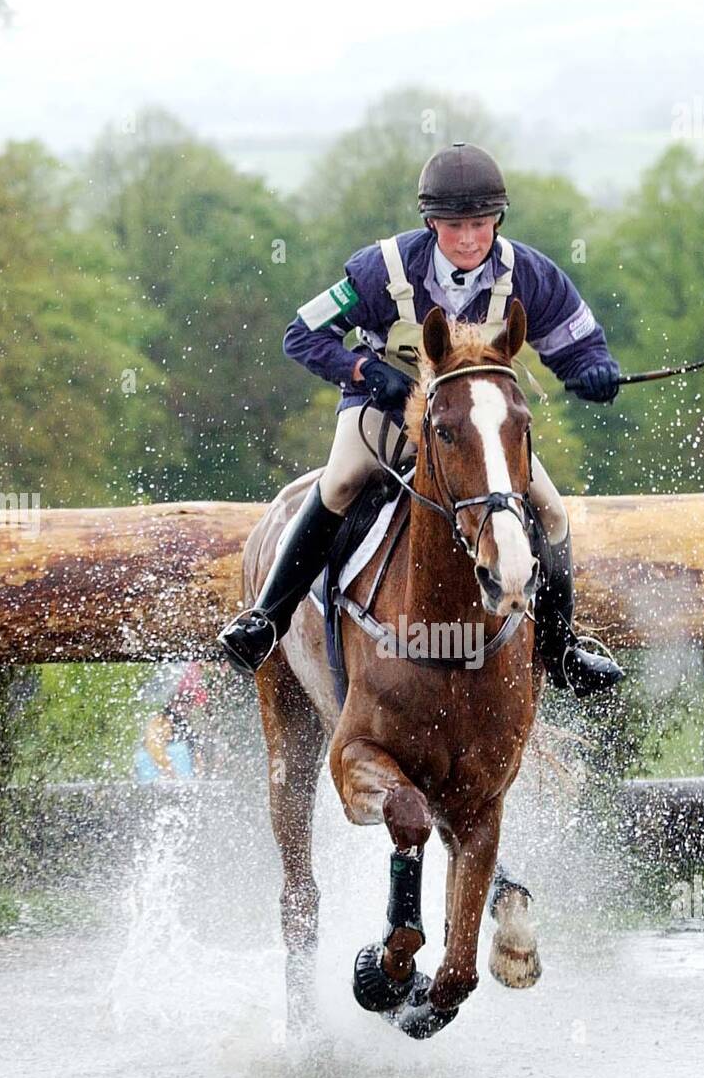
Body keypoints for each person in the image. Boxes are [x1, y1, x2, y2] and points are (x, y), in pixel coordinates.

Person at [218, 142, 625, 697]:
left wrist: (597, 371)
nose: (467, 239)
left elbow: (578, 344)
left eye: (481, 225)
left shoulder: (531, 273)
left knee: (550, 512)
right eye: (454, 226)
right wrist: (362, 369)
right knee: (339, 481)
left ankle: (561, 648)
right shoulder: (380, 269)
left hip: (475, 427)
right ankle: (267, 619)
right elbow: (301, 335)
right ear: (431, 222)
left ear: (498, 220)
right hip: (386, 414)